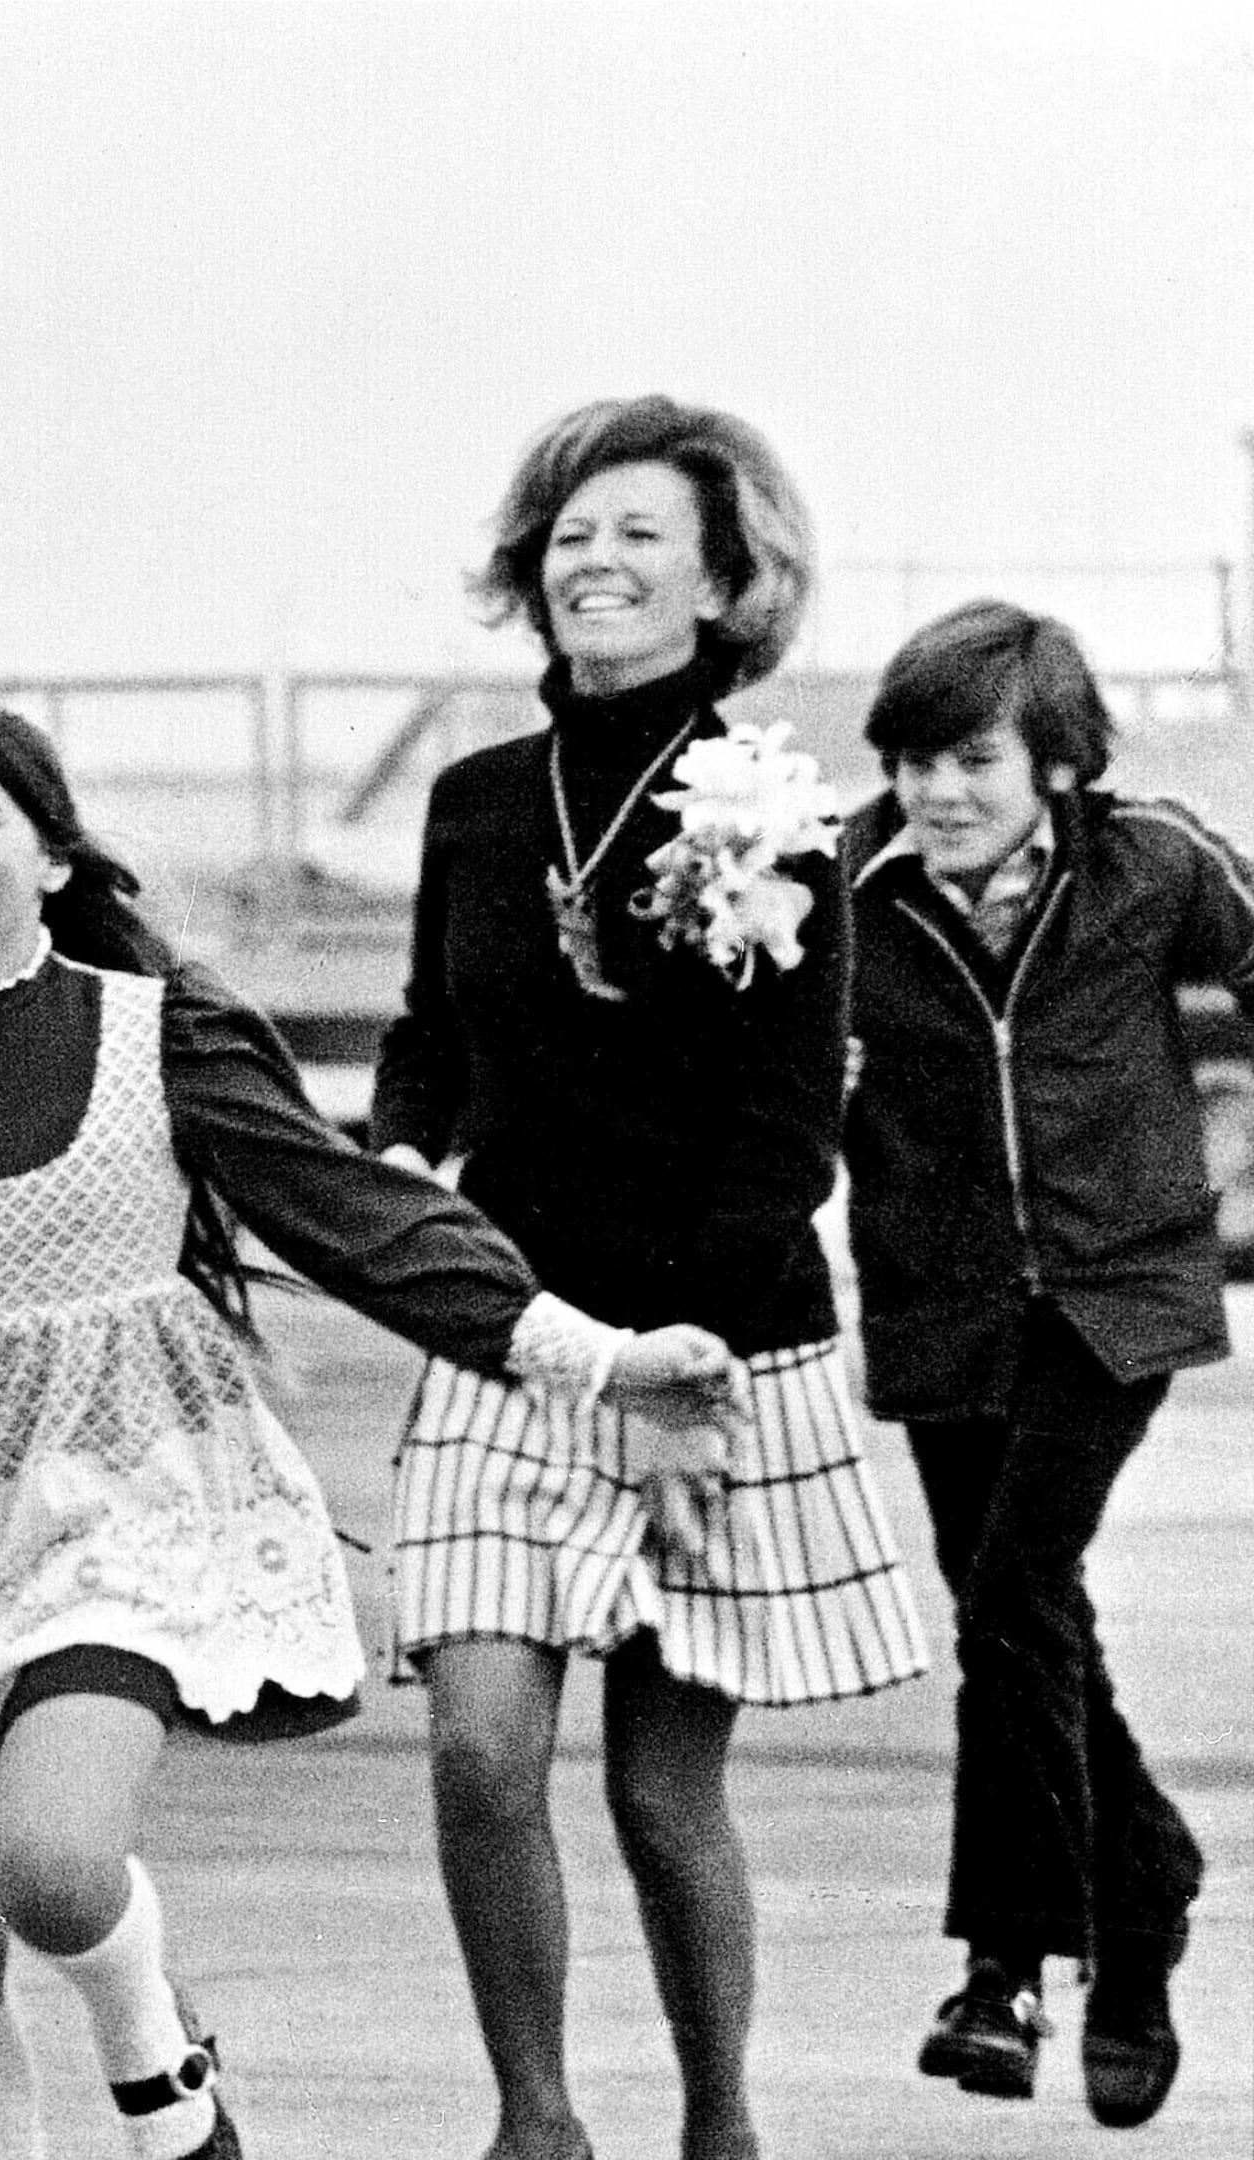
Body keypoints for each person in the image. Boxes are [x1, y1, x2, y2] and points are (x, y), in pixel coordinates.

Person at [0, 701, 740, 2160]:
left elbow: (358, 1215)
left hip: (138, 1507)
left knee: (51, 1864)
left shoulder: (155, 1033)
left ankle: (162, 2083)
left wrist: (595, 1362)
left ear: (53, 859)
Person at [370, 395, 927, 2160]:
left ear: (723, 581)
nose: (593, 565)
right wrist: (398, 1155)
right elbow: (429, 1036)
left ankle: (720, 2122)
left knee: (661, 1787)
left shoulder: (777, 811)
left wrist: (673, 1367)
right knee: (477, 1748)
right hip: (511, 1341)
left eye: (638, 539)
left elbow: (787, 1142)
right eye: (569, 537)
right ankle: (536, 2121)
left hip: (721, 1342)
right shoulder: (473, 802)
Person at [843, 598, 1231, 2128]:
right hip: (941, 1306)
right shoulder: (837, 893)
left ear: (1055, 761)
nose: (939, 791)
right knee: (1024, 1615)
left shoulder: (1155, 867)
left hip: (1111, 1291)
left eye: (974, 759)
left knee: (1013, 1595)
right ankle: (1141, 1910)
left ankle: (1004, 1967)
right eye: (914, 760)